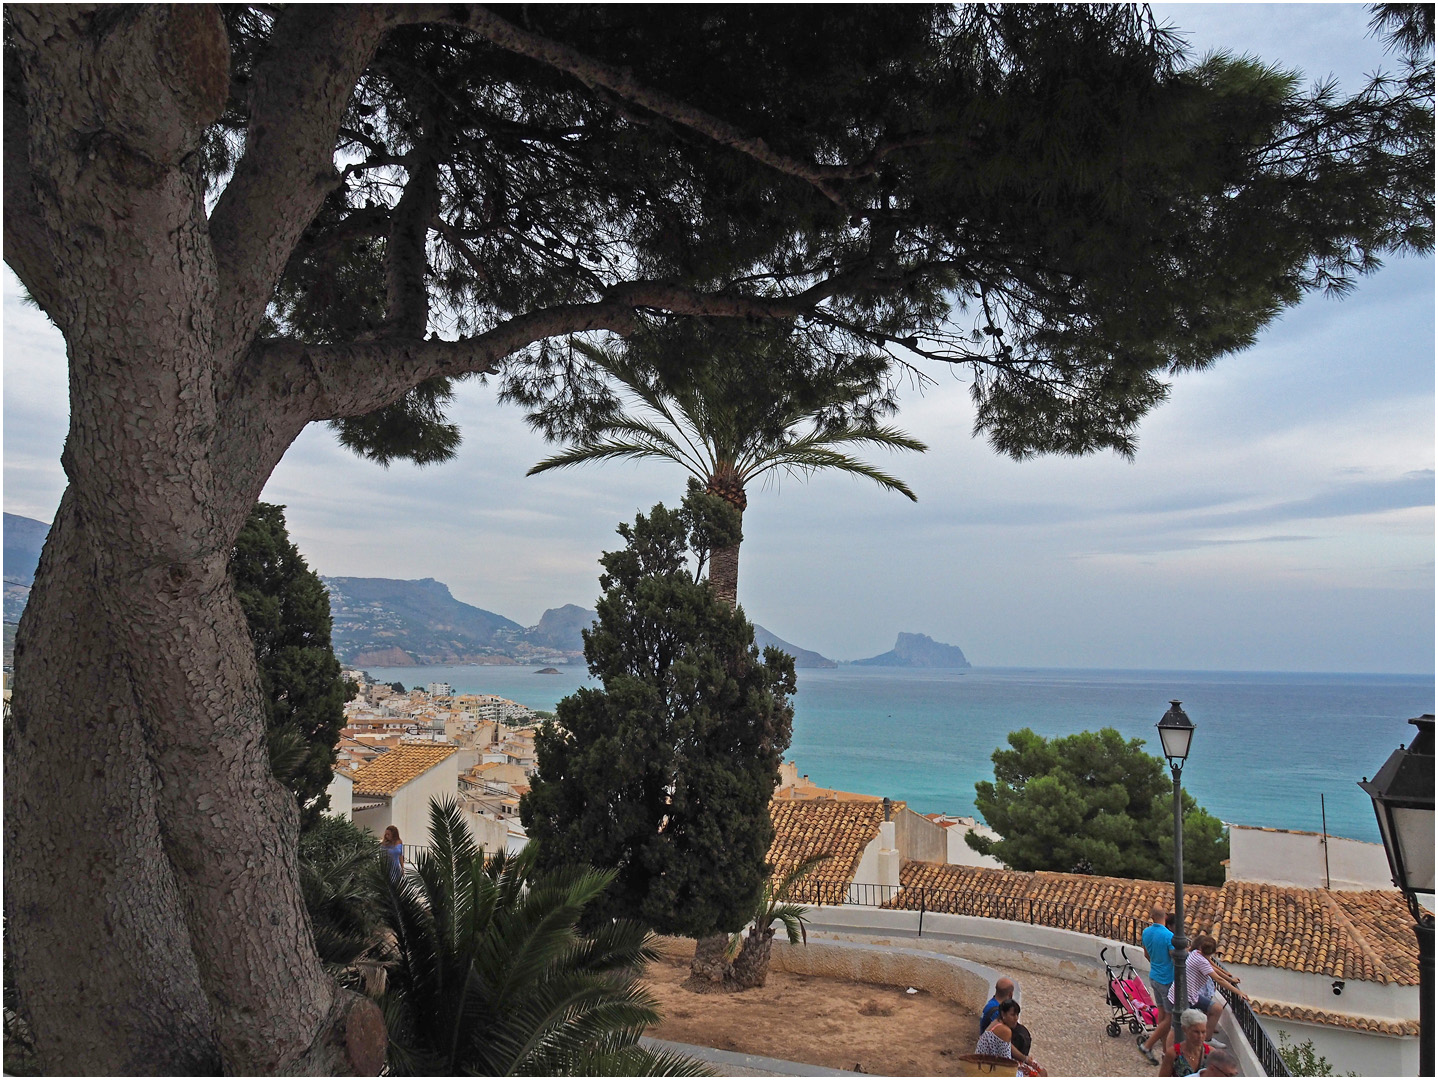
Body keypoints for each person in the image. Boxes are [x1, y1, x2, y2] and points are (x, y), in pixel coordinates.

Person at [1169, 933, 1246, 1041]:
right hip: (1185, 996)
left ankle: (1207, 1040)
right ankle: (1175, 1051)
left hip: (1190, 994)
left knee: (1216, 1009)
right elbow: (1218, 979)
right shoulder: (1201, 961)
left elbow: (1213, 968)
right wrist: (1238, 992)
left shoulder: (1196, 953)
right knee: (1178, 1027)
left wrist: (1230, 979)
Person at [1138, 904, 1175, 1065]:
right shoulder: (1168, 936)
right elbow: (1175, 957)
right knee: (1170, 1017)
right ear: (1165, 917)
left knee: (1162, 1014)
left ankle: (1166, 1052)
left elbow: (1147, 954)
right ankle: (1147, 1046)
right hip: (1167, 980)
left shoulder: (1146, 932)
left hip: (1154, 976)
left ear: (1151, 917)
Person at [974, 999, 1046, 1076]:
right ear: (1003, 1014)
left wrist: (1026, 1059)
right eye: (1012, 1015)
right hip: (989, 1068)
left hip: (987, 1064)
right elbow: (1006, 1062)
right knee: (1037, 1074)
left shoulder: (996, 1022)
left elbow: (1009, 1047)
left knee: (1039, 1070)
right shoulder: (1004, 1030)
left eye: (1017, 1015)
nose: (1016, 1018)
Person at [1159, 1009, 1212, 1077]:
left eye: (1203, 1032)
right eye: (1196, 1032)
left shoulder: (1211, 1053)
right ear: (1185, 1029)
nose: (1200, 1036)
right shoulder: (1173, 1054)